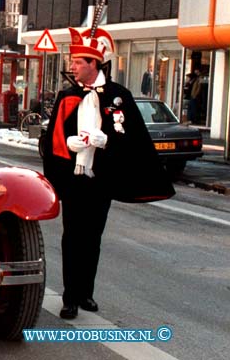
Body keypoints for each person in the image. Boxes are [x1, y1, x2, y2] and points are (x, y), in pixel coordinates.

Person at [41, 26, 174, 320]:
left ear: (93, 64)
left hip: (101, 179)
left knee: (93, 237)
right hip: (74, 179)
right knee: (72, 237)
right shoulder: (67, 96)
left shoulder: (118, 96)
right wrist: (68, 144)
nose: (72, 66)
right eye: (72, 61)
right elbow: (53, 139)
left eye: (77, 62)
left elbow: (132, 139)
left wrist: (107, 142)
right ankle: (70, 296)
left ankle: (86, 291)